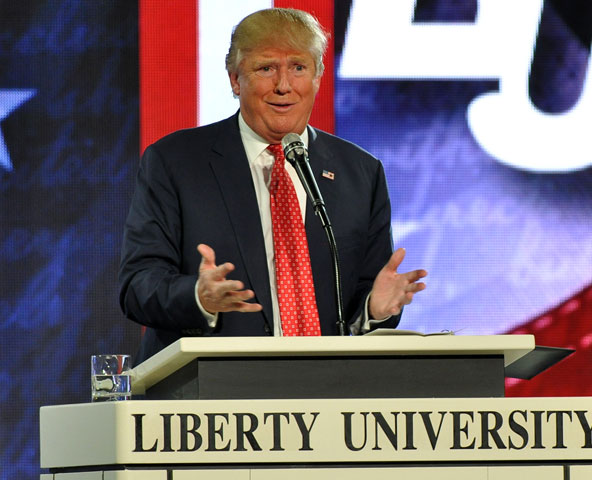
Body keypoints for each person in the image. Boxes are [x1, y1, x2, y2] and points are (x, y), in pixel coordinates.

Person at [118, 8, 427, 363]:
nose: (284, 85)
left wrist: (376, 309)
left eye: (298, 67)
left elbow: (362, 304)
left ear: (317, 76)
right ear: (235, 80)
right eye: (266, 68)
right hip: (210, 393)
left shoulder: (360, 172)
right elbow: (137, 286)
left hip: (325, 390)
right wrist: (198, 296)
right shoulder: (175, 162)